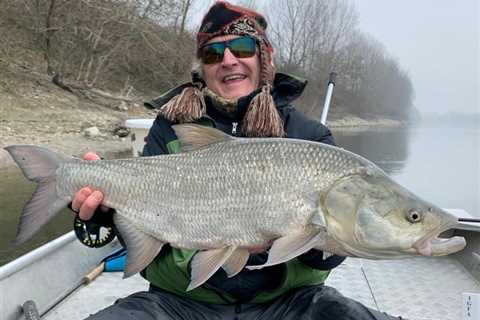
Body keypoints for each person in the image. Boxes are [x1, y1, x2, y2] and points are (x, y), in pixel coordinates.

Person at [72, 2, 402, 319]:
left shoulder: (309, 136)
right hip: (180, 303)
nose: (228, 60)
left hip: (290, 304)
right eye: (213, 53)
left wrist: (315, 239)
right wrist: (100, 216)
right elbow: (142, 217)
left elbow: (325, 262)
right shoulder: (170, 127)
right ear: (202, 68)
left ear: (263, 58)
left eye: (242, 48)